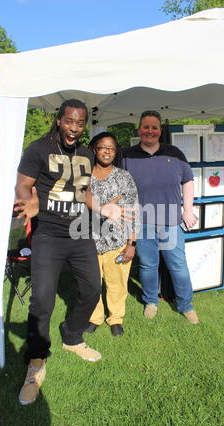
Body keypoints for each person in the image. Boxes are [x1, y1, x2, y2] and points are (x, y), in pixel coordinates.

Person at [15, 99, 103, 406]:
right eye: (69, 122)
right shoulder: (37, 149)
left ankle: (72, 335)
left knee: (93, 289)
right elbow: (23, 185)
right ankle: (36, 361)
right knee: (42, 298)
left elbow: (86, 191)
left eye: (80, 124)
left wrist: (105, 208)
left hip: (80, 233)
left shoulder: (87, 152)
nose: (74, 129)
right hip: (49, 235)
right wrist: (30, 202)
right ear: (59, 120)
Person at [123, 110, 199, 324]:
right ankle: (150, 302)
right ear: (139, 129)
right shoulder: (127, 155)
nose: (150, 131)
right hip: (142, 222)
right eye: (146, 127)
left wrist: (187, 210)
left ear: (160, 130)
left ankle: (186, 305)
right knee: (148, 266)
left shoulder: (174, 153)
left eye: (154, 127)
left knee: (178, 266)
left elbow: (188, 181)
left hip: (172, 221)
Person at [84, 132, 138, 337]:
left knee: (117, 283)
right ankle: (94, 317)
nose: (107, 151)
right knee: (91, 283)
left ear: (116, 152)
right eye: (102, 147)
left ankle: (115, 318)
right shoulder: (84, 176)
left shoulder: (124, 177)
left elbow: (133, 210)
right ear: (94, 149)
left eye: (111, 148)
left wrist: (132, 243)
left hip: (117, 240)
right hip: (87, 240)